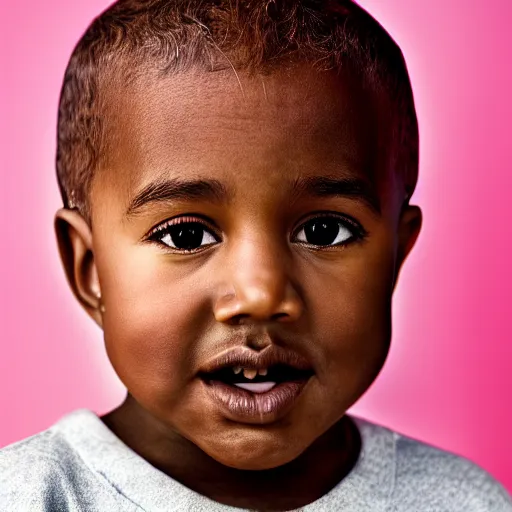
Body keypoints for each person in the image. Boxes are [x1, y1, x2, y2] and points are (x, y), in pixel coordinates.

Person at [1, 0, 511, 510]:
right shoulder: (28, 497)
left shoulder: (463, 502)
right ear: (90, 271)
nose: (260, 294)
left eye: (325, 230)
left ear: (397, 256)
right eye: (187, 237)